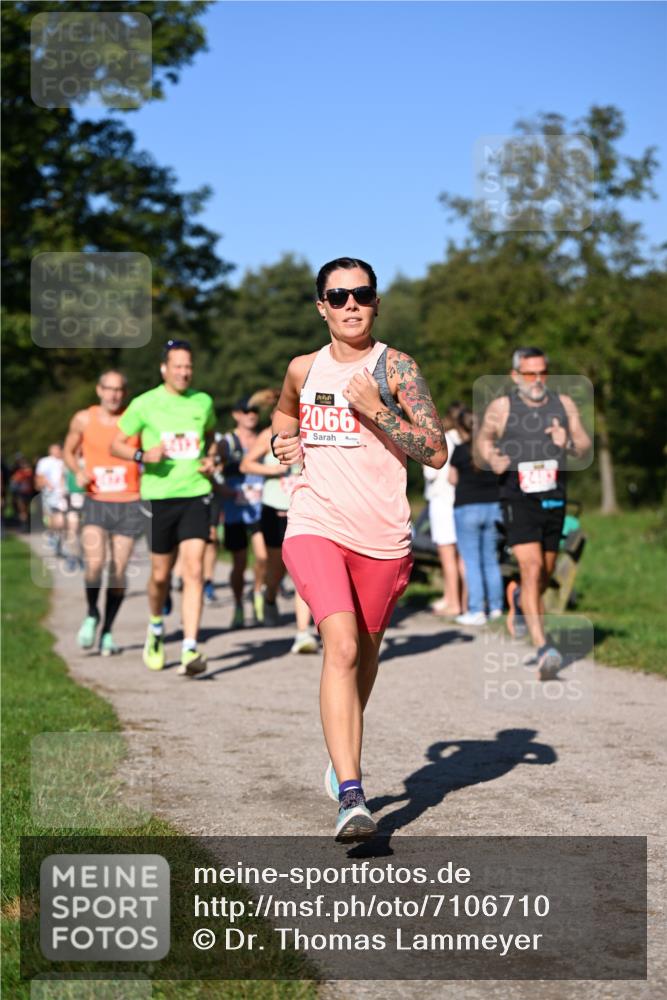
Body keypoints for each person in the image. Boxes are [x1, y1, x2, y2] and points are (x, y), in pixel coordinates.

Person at [273, 256, 447, 842]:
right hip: (315, 522)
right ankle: (352, 794)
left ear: (376, 303)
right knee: (341, 646)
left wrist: (374, 408)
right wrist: (282, 438)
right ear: (320, 305)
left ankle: (338, 753)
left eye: (362, 295)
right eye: (338, 295)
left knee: (363, 659)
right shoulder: (303, 368)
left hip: (383, 538)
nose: (351, 305)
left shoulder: (396, 368)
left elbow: (436, 450)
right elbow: (283, 411)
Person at [477, 347, 591, 678]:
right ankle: (544, 648)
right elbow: (484, 442)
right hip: (518, 497)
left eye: (543, 372)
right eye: (530, 373)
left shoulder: (563, 405)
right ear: (515, 376)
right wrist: (492, 459)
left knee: (545, 573)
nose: (537, 379)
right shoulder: (503, 406)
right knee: (531, 567)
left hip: (554, 497)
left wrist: (566, 438)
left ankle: (519, 600)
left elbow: (583, 445)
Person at [111, 339, 217, 675]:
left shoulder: (203, 401)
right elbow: (116, 444)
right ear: (164, 369)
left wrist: (212, 460)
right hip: (158, 496)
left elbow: (211, 439)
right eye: (178, 367)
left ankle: (189, 647)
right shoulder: (145, 404)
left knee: (195, 570)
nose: (185, 372)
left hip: (196, 493)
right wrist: (142, 455)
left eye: (189, 366)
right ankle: (156, 626)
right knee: (160, 576)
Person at [64, 371, 146, 655]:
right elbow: (68, 450)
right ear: (99, 390)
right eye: (109, 389)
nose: (114, 395)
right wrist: (78, 472)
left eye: (119, 390)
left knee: (118, 571)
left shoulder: (135, 419)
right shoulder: (83, 418)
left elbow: (148, 452)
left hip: (129, 501)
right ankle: (91, 613)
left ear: (125, 392)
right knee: (94, 564)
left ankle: (108, 631)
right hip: (97, 499)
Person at [239, 389, 319, 653]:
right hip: (273, 508)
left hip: (303, 510)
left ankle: (302, 632)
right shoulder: (267, 435)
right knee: (276, 567)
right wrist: (272, 470)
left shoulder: (310, 432)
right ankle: (269, 597)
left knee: (303, 572)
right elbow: (246, 464)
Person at [215, 398, 267, 628]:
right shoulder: (226, 442)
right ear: (236, 414)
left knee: (263, 556)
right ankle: (238, 605)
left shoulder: (263, 439)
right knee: (239, 562)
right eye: (246, 411)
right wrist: (224, 490)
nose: (251, 415)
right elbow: (212, 472)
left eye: (255, 410)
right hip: (235, 509)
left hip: (259, 507)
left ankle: (257, 594)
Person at [449, 408, 504, 626]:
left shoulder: (460, 451)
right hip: (493, 507)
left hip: (467, 508)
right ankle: (497, 607)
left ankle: (476, 610)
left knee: (471, 562)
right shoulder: (494, 449)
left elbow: (452, 479)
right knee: (491, 560)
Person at [423, 402, 466, 617]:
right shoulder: (464, 439)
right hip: (460, 501)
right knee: (461, 556)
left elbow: (430, 474)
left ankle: (454, 603)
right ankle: (459, 599)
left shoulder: (440, 441)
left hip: (441, 501)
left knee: (447, 556)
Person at [35, 444, 66, 552]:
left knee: (61, 519)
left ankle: (57, 537)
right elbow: (40, 476)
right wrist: (48, 485)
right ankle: (53, 534)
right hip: (50, 494)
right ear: (50, 451)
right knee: (50, 517)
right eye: (55, 449)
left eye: (59, 449)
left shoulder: (64, 461)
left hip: (62, 495)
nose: (58, 451)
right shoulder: (45, 461)